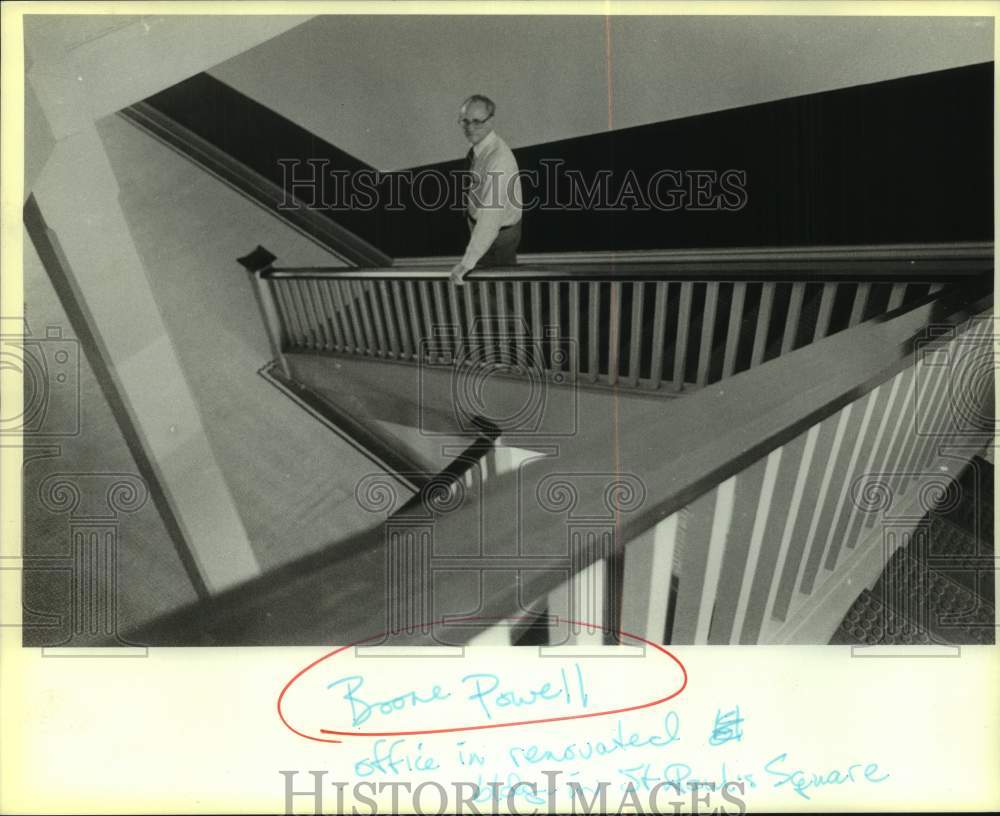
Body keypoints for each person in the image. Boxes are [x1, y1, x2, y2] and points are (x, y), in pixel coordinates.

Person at [449, 95, 522, 287]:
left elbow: (490, 220)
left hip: (498, 236)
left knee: (500, 285)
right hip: (482, 226)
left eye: (477, 121)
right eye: (465, 121)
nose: (469, 127)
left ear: (491, 121)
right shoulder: (480, 147)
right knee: (486, 281)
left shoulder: (499, 160)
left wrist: (466, 264)